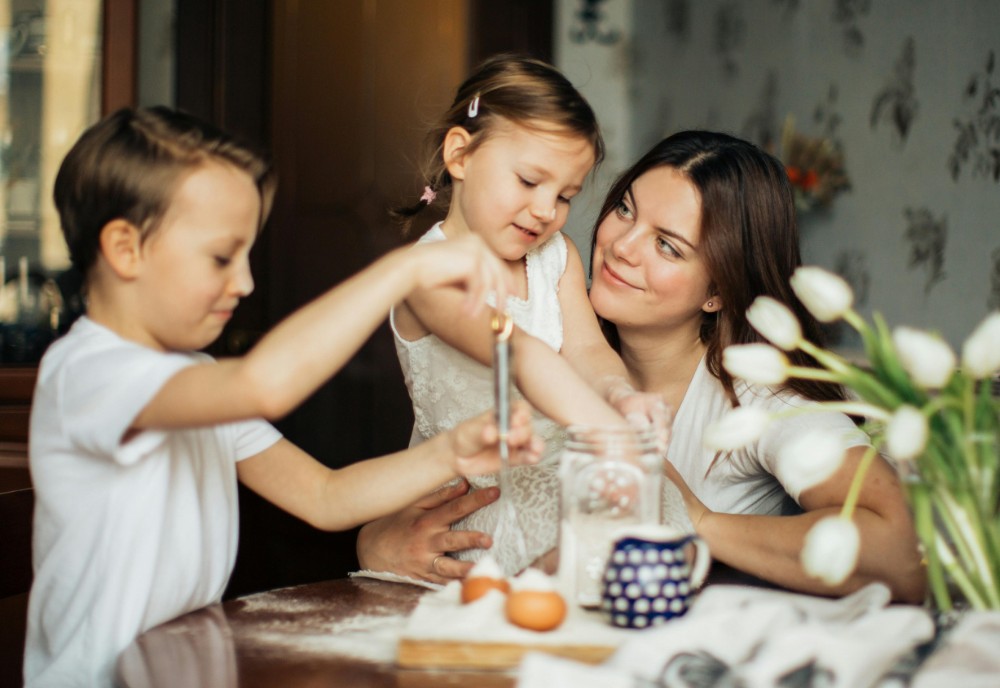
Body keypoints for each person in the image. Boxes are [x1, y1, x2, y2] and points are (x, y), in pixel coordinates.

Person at [24, 106, 542, 688]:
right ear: (126, 249)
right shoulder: (90, 375)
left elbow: (325, 496)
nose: (244, 282)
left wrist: (452, 451)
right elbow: (263, 384)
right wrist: (404, 271)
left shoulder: (192, 378)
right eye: (222, 257)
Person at [359, 130, 927, 603]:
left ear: (719, 291)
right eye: (625, 210)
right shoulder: (542, 337)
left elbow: (901, 557)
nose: (622, 246)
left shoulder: (757, 398)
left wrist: (698, 522)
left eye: (669, 246)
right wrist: (378, 541)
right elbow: (439, 486)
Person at [383, 54, 667, 576]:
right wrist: (607, 429)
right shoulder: (427, 273)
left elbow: (586, 351)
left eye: (564, 196)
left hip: (556, 492)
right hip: (469, 512)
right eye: (528, 181)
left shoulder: (555, 256)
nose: (545, 211)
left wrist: (620, 395)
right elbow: (517, 353)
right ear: (461, 155)